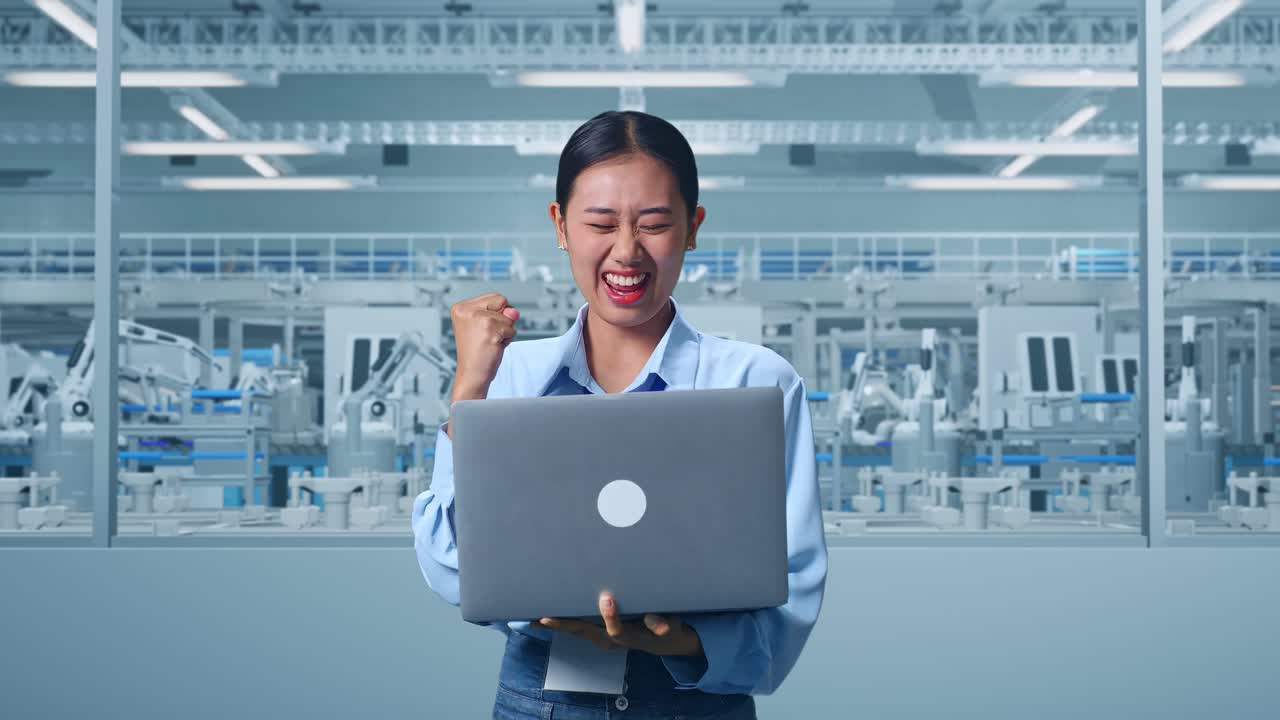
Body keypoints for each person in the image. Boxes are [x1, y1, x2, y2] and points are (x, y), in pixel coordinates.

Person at [411, 110, 827, 720]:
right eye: (600, 223)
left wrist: (680, 641)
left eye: (655, 224)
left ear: (692, 229)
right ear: (560, 225)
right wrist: (470, 387)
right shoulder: (511, 377)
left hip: (695, 703)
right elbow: (451, 567)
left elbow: (792, 592)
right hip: (541, 703)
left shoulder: (755, 382)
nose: (626, 252)